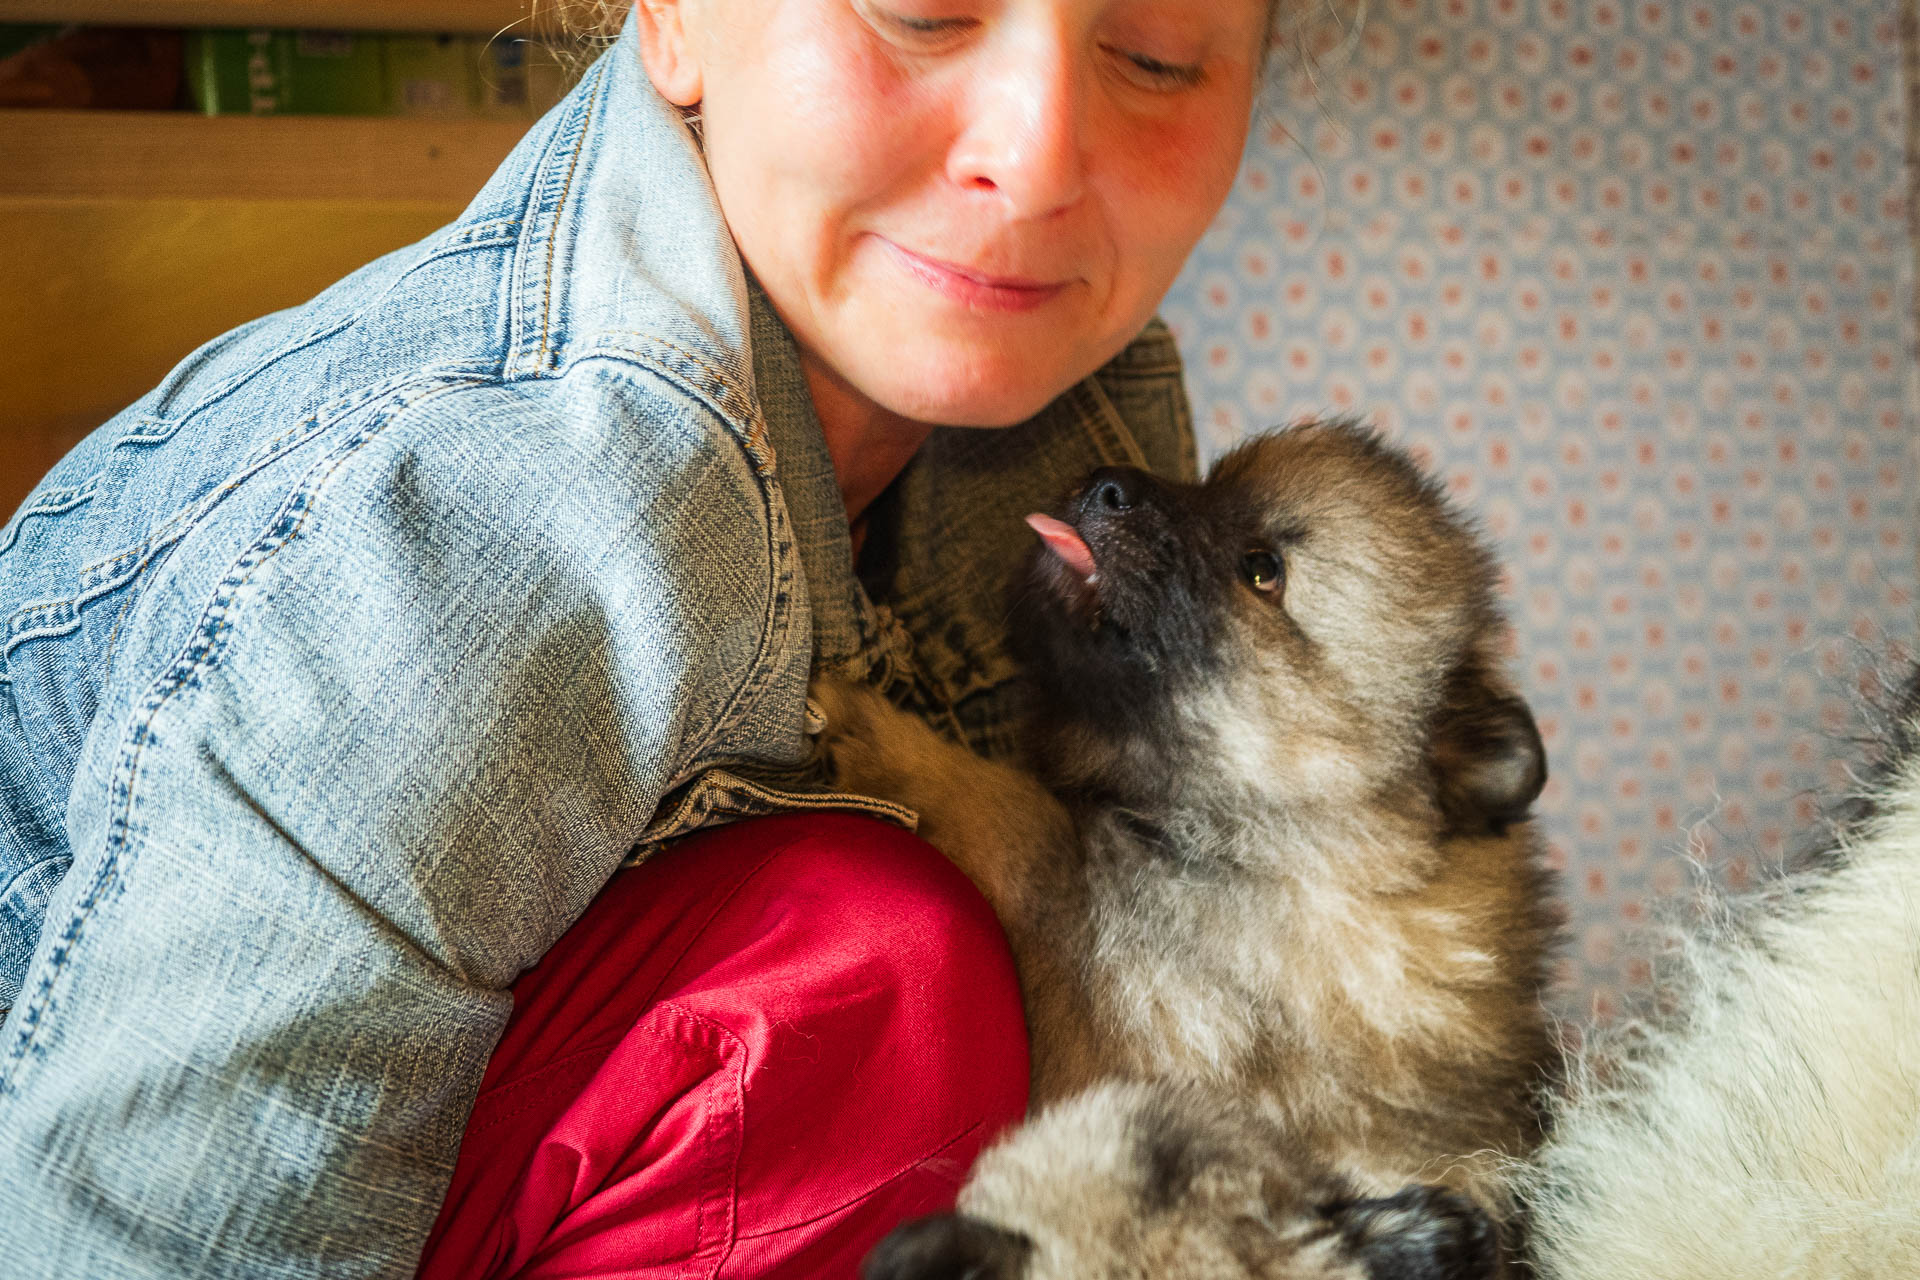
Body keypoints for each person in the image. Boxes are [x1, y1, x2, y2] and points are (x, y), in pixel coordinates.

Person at [0, 0, 1276, 1274]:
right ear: (670, 16)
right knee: (882, 975)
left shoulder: (1079, 440)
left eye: (1157, 55)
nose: (1040, 156)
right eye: (923, 12)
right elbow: (123, 1234)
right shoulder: (515, 519)